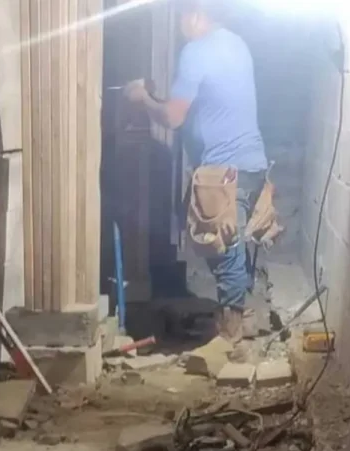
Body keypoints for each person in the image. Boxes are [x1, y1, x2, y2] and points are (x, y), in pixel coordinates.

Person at [123, 0, 268, 343]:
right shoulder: (237, 44)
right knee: (225, 241)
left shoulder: (196, 51)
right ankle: (240, 312)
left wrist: (142, 98)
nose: (179, 26)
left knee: (221, 245)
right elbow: (210, 103)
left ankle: (232, 331)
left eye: (182, 17)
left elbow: (174, 118)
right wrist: (164, 99)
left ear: (197, 15)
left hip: (224, 170)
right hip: (251, 164)